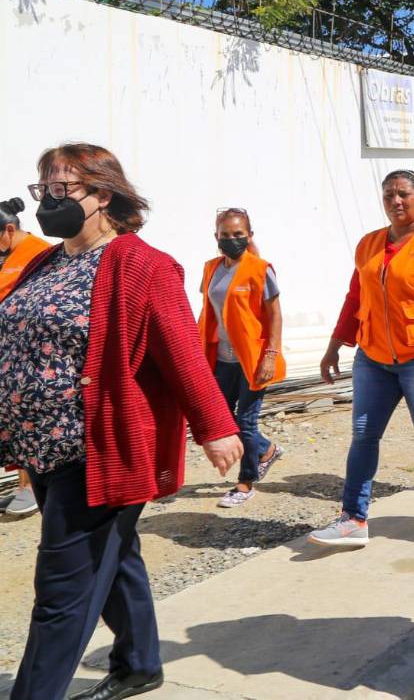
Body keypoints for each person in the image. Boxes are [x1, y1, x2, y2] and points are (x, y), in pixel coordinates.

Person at [1, 143, 241, 700]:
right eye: (43, 189)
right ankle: (138, 664)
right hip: (43, 449)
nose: (48, 201)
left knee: (61, 592)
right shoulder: (48, 261)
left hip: (97, 450)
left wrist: (216, 426)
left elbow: (182, 351)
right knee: (116, 556)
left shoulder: (142, 265)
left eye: (62, 189)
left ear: (103, 195)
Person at [311, 169, 414, 545]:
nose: (396, 201)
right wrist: (336, 342)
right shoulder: (369, 244)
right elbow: (356, 296)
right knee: (363, 434)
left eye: (403, 193)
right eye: (389, 195)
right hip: (373, 357)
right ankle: (354, 518)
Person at [199, 208, 287, 508]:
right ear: (216, 237)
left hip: (253, 360)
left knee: (245, 422)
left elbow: (274, 315)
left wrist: (271, 356)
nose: (231, 239)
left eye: (238, 234)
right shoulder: (211, 268)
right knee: (223, 419)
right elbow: (208, 312)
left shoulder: (261, 269)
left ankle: (245, 482)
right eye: (225, 235)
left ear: (249, 236)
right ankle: (267, 449)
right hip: (222, 359)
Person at [0, 196, 50, 517]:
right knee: (15, 424)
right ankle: (24, 484)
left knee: (30, 421)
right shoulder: (8, 254)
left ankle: (31, 487)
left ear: (9, 230)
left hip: (30, 356)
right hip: (9, 355)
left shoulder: (39, 254)